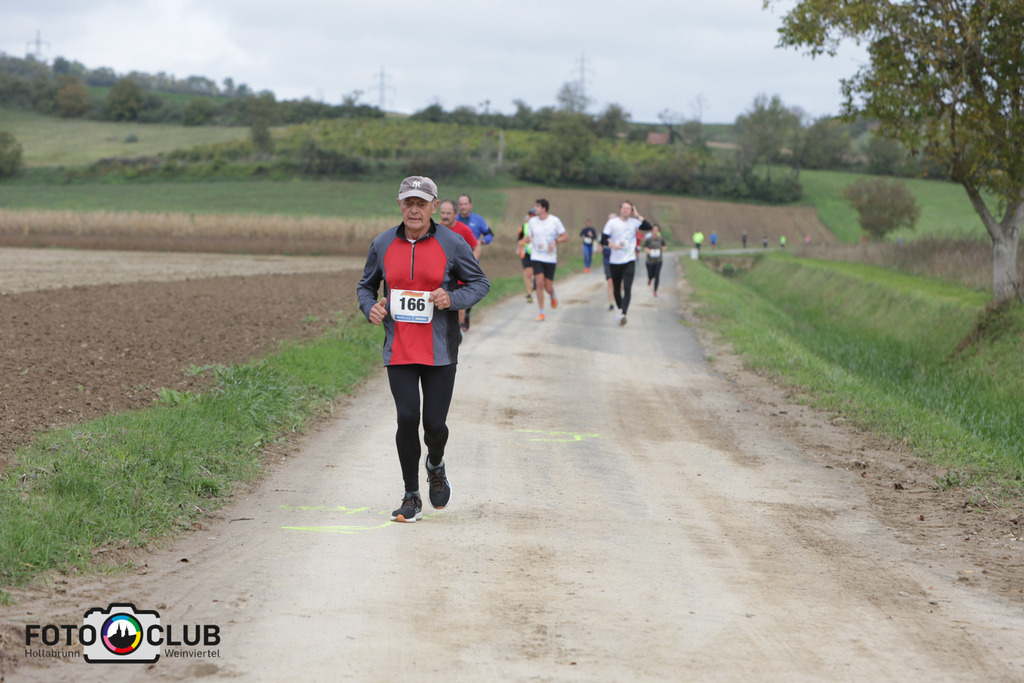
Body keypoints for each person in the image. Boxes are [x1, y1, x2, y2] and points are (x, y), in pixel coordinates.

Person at [357, 176, 490, 523]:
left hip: (440, 350)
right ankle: (411, 495)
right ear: (399, 205)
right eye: (408, 203)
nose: (414, 210)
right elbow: (365, 286)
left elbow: (479, 283)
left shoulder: (453, 242)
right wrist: (369, 306)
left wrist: (452, 298)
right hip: (398, 348)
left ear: (434, 206)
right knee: (406, 418)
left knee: (434, 424)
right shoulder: (383, 243)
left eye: (421, 203)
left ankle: (435, 463)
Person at [601, 200, 652, 327]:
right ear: (620, 209)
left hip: (629, 259)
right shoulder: (612, 223)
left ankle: (623, 313)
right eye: (623, 208)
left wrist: (637, 214)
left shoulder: (634, 222)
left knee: (628, 287)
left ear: (631, 210)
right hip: (615, 260)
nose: (625, 210)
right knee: (617, 289)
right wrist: (612, 245)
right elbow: (603, 239)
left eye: (628, 208)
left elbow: (648, 226)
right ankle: (619, 309)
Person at [437, 198, 481, 332]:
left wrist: (468, 266)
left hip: (460, 278)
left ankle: (456, 334)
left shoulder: (464, 230)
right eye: (443, 213)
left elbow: (477, 246)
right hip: (442, 277)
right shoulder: (436, 230)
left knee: (459, 311)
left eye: (448, 213)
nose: (445, 216)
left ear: (455, 214)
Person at [525, 198, 568, 321]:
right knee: (539, 283)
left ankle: (552, 294)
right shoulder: (532, 221)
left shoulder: (555, 221)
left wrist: (555, 241)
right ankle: (542, 311)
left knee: (548, 286)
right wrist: (528, 239)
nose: (535, 209)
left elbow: (565, 236)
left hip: (550, 258)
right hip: (537, 256)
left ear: (544, 208)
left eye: (537, 206)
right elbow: (529, 236)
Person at [456, 194, 492, 331]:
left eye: (465, 204)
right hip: (455, 261)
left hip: (472, 261)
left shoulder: (478, 220)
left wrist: (482, 242)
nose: (463, 207)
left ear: (470, 205)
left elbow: (490, 234)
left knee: (469, 288)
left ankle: (466, 315)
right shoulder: (453, 220)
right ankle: (459, 318)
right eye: (461, 204)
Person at [516, 208, 537, 303]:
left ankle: (533, 284)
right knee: (526, 272)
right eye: (531, 215)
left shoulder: (539, 226)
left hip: (536, 253)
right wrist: (518, 247)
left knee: (531, 273)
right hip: (525, 252)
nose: (532, 216)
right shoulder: (524, 226)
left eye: (534, 215)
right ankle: (528, 292)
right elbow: (519, 239)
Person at [644, 223, 667, 298]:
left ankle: (655, 290)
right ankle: (650, 278)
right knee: (650, 274)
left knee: (657, 275)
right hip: (649, 261)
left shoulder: (661, 239)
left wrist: (663, 249)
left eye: (657, 230)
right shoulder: (648, 239)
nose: (655, 232)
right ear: (651, 231)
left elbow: (664, 246)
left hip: (658, 260)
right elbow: (644, 247)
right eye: (654, 230)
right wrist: (648, 251)